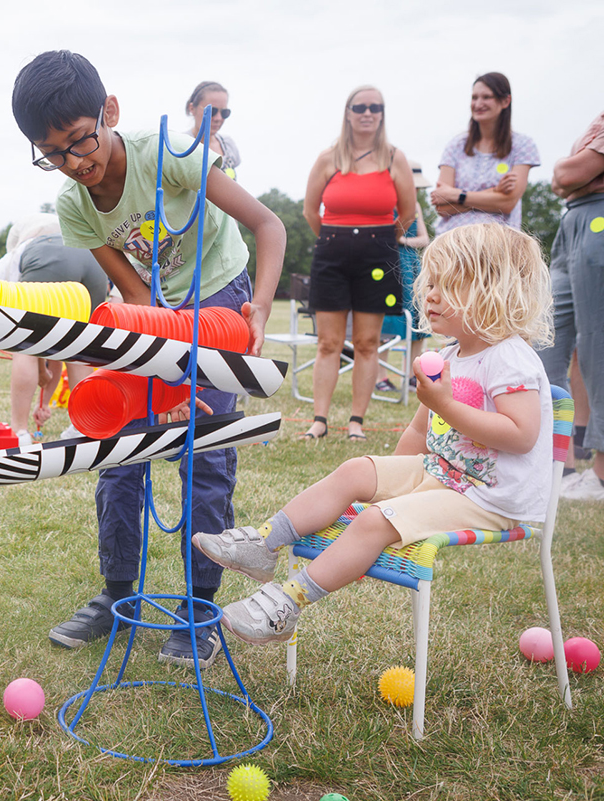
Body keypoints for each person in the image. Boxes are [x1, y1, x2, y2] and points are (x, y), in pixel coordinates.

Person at [11, 51, 285, 667]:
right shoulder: (74, 206)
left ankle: (198, 609)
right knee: (118, 444)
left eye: (81, 141)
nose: (75, 163)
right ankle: (115, 594)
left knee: (204, 449)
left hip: (221, 296)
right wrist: (157, 367)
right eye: (53, 153)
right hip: (150, 309)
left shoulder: (171, 155)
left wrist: (260, 308)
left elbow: (269, 226)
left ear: (109, 111)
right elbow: (134, 292)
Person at [194, 224, 553, 644]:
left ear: (493, 291)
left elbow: (521, 434)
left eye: (447, 285)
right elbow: (420, 430)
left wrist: (446, 407)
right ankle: (264, 543)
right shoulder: (451, 353)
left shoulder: (511, 358)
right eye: (430, 283)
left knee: (376, 521)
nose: (430, 295)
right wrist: (389, 483)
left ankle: (287, 603)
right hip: (443, 474)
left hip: (489, 496)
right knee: (354, 470)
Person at [300, 86, 416, 441]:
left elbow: (408, 214)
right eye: (360, 107)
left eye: (375, 107)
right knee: (328, 343)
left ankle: (356, 423)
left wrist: (378, 241)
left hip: (378, 255)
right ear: (348, 113)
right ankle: (319, 420)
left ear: (382, 114)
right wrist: (337, 239)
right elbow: (310, 211)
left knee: (367, 342)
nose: (368, 113)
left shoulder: (396, 159)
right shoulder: (328, 158)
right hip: (331, 253)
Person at [0, 213, 110, 444]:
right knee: (79, 344)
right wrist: (43, 400)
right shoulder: (64, 231)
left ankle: (19, 431)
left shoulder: (14, 256)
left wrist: (40, 369)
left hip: (47, 257)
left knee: (22, 343)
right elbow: (55, 346)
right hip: (92, 259)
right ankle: (83, 426)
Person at [542, 106, 604, 500]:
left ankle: (600, 475)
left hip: (599, 220)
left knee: (597, 346)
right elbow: (562, 182)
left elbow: (564, 175)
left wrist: (571, 172)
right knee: (544, 337)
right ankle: (558, 466)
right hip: (572, 221)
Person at [430, 73, 539, 234]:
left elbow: (507, 203)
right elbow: (442, 206)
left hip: (500, 243)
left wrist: (457, 195)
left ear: (505, 101)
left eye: (486, 97)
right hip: (455, 244)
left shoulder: (523, 145)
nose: (478, 104)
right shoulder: (456, 145)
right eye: (474, 98)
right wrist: (494, 193)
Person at [378, 161, 434, 393]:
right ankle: (381, 378)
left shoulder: (417, 206)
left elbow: (425, 239)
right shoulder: (384, 203)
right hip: (389, 263)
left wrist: (404, 241)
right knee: (388, 320)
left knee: (419, 316)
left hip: (412, 264)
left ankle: (413, 377)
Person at [185, 81, 240, 179]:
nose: (218, 118)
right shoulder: (182, 146)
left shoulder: (228, 145)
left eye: (224, 112)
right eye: (212, 111)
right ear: (192, 108)